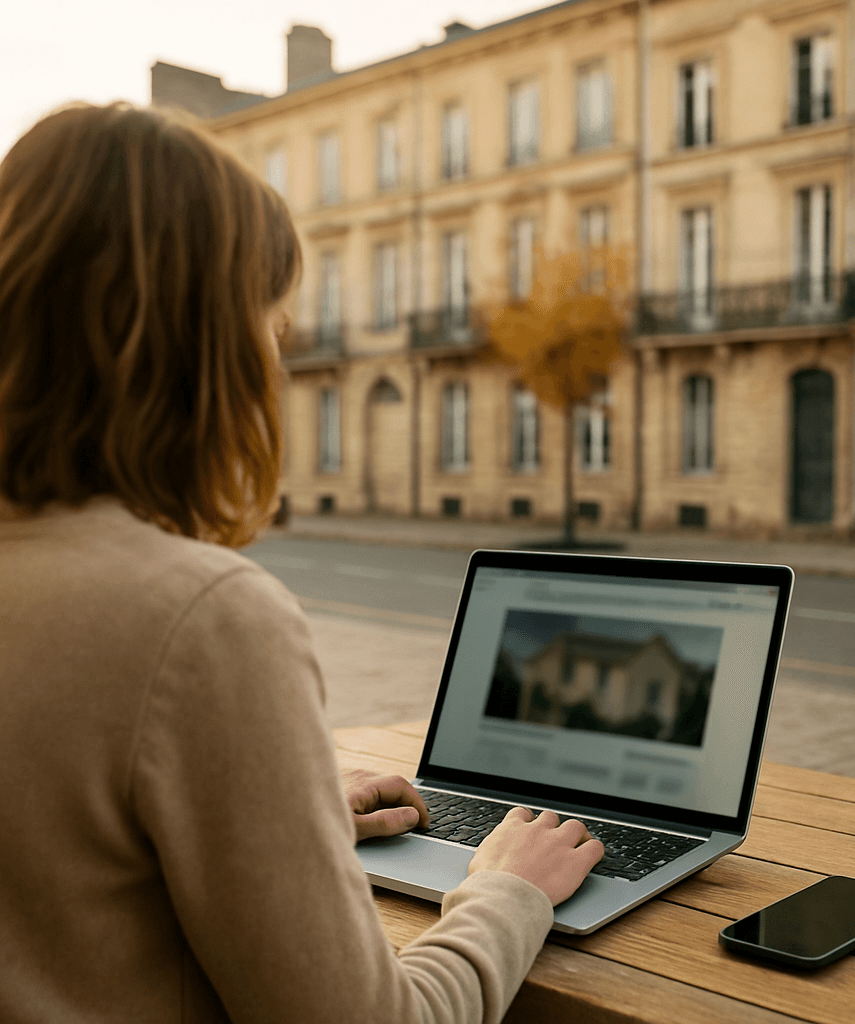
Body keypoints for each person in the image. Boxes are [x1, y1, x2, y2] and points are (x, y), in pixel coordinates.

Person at [0, 102, 603, 1024]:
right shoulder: (201, 617)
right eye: (270, 328)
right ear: (208, 347)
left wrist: (279, 820)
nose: (275, 368)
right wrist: (507, 891)